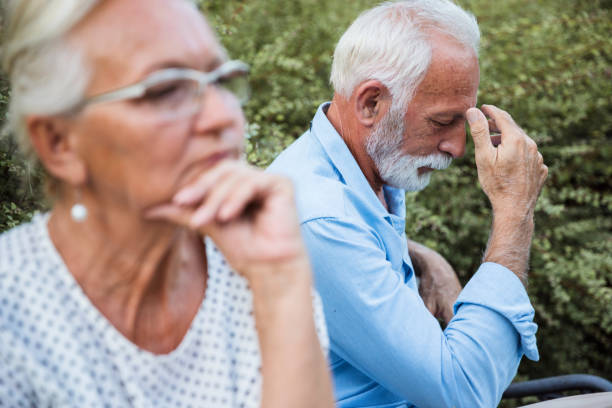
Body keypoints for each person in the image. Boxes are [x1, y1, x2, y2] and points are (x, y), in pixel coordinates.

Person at [0, 0, 334, 406]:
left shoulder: (259, 272)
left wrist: (280, 283)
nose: (223, 117)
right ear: (59, 144)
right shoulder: (11, 312)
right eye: (164, 90)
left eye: (221, 80)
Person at [268, 0, 548, 407]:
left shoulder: (360, 175)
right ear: (370, 104)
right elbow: (463, 394)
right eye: (441, 122)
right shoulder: (320, 219)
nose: (456, 148)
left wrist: (419, 255)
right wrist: (513, 213)